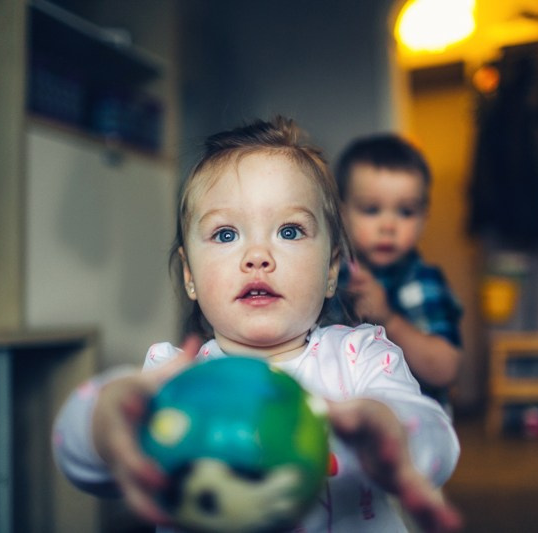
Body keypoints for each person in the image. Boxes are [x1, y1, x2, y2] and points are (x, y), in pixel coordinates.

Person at [52, 117, 462, 532]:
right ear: (189, 276)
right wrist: (101, 422)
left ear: (332, 270)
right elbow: (77, 455)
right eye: (226, 234)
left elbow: (438, 440)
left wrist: (393, 433)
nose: (258, 256)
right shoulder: (174, 379)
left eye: (289, 230)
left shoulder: (363, 358)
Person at [333, 134, 463, 412]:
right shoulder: (329, 280)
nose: (389, 225)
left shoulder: (424, 282)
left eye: (405, 212)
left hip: (415, 435)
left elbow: (445, 370)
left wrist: (388, 318)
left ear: (423, 221)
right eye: (371, 209)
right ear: (342, 214)